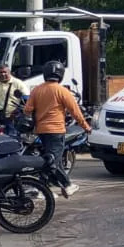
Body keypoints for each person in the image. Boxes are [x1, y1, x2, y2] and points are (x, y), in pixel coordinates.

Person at [24, 60, 89, 198]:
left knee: (49, 159)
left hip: (41, 131)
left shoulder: (36, 90)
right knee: (53, 161)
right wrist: (86, 126)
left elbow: (27, 110)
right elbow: (75, 111)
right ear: (61, 74)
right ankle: (67, 184)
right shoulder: (62, 91)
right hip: (56, 131)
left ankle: (44, 188)